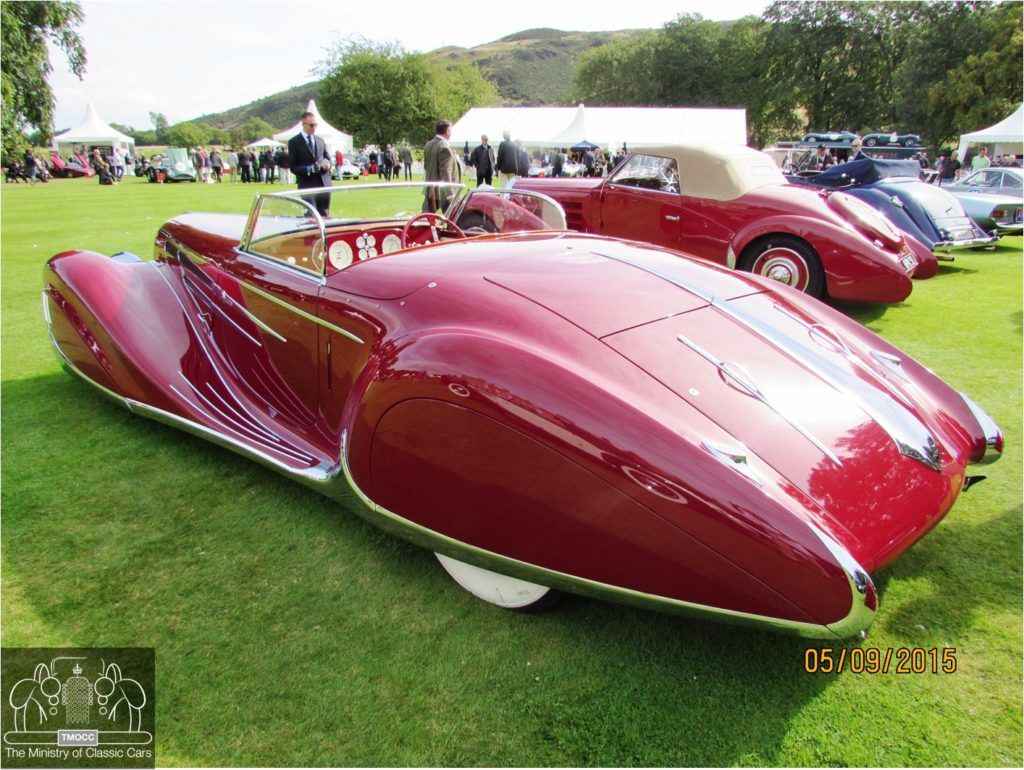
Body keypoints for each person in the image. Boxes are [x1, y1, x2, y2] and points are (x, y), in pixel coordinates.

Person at [287, 110, 333, 216]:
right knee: (311, 216)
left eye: (316, 125)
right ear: (304, 124)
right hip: (307, 186)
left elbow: (327, 158)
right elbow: (293, 167)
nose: (314, 128)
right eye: (311, 125)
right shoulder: (294, 142)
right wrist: (309, 169)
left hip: (324, 184)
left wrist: (328, 165)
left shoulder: (320, 140)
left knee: (325, 215)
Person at [422, 118, 461, 212]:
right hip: (443, 192)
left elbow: (426, 167)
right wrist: (451, 195)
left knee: (426, 219)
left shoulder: (428, 145)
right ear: (447, 131)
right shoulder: (444, 147)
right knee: (453, 221)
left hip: (430, 188)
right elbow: (446, 173)